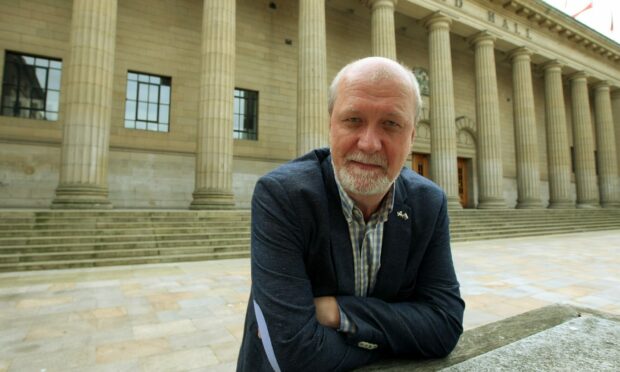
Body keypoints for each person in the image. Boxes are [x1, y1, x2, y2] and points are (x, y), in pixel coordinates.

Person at [236, 57, 465, 372]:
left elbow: (444, 327)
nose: (369, 143)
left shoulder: (429, 202)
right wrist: (399, 338)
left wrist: (337, 312)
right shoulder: (282, 196)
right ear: (331, 124)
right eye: (353, 119)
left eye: (391, 123)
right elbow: (295, 355)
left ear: (412, 137)